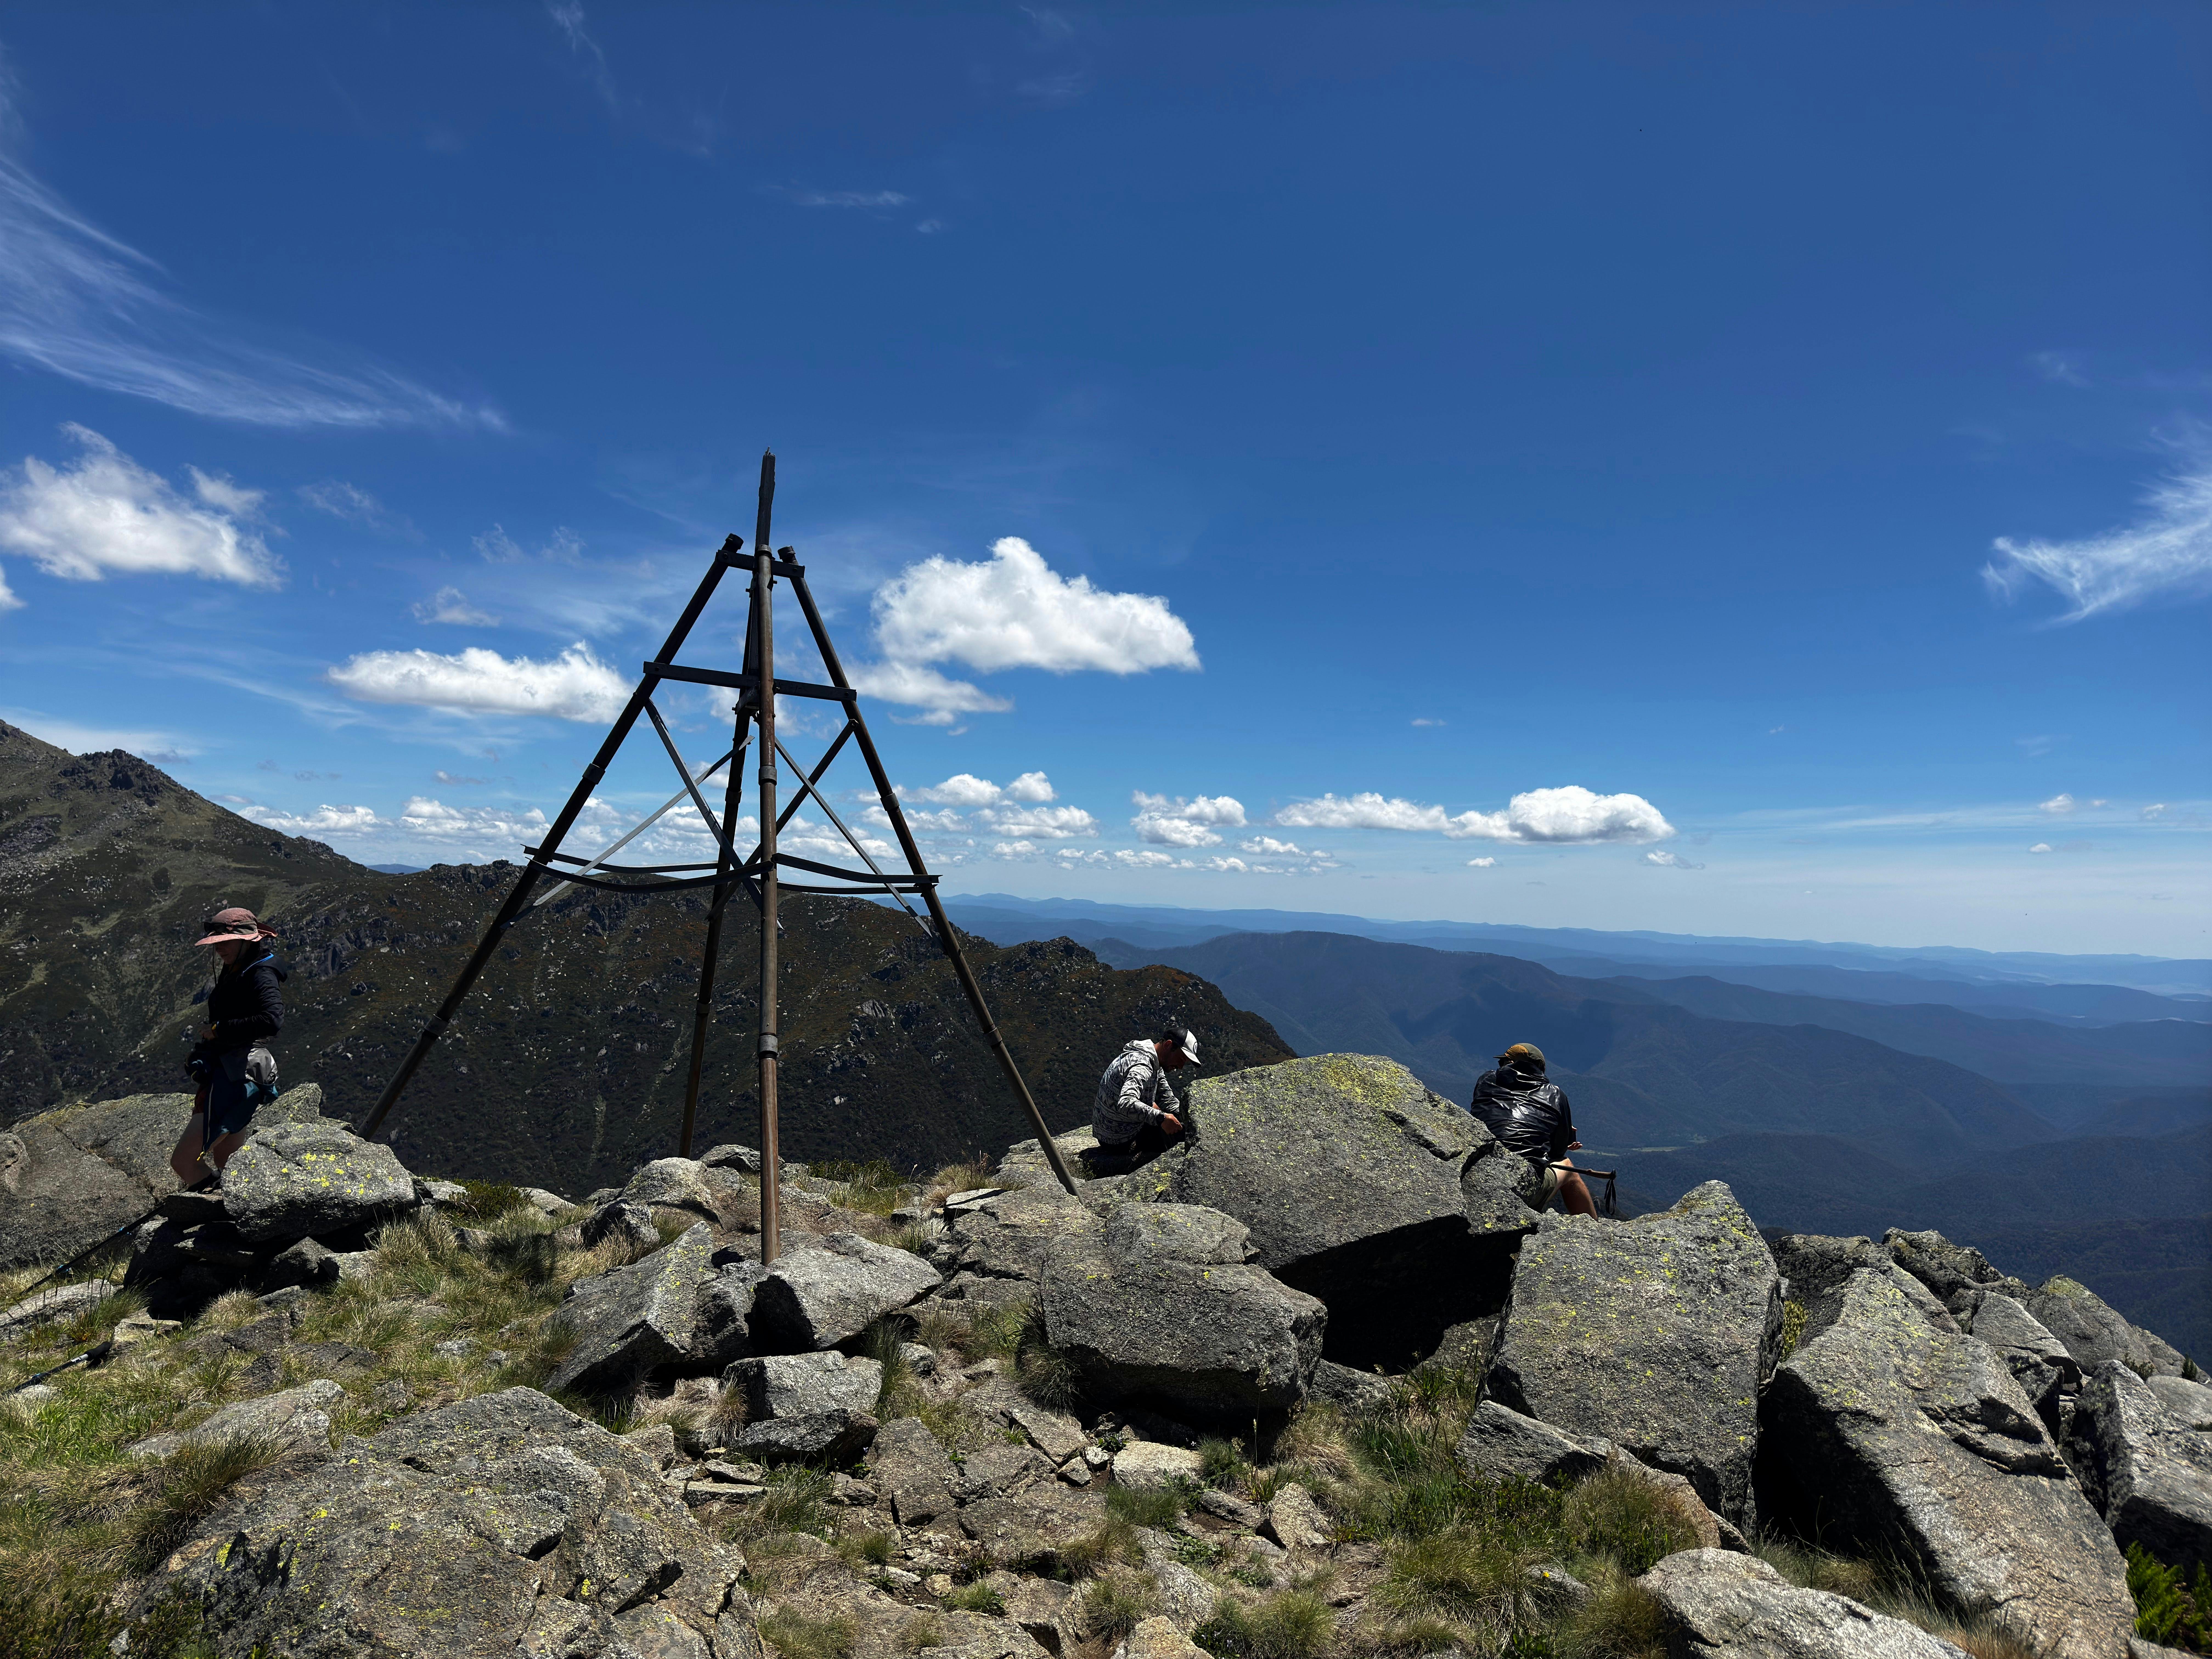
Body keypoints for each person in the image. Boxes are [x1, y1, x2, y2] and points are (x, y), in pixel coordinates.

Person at [169, 907, 286, 1185]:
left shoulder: (260, 973)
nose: (220, 949)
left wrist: (219, 1030)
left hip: (238, 1076)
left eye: (226, 942)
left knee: (184, 1161)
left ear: (247, 940)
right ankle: (235, 1213)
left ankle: (215, 1211)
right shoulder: (239, 965)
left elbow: (272, 1019)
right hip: (233, 1071)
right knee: (227, 1160)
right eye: (216, 943)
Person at [1468, 1042, 1596, 1218]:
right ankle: (1592, 1232)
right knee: (1566, 1166)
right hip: (1521, 1185)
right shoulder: (1556, 1095)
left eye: (1502, 1063)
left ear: (1509, 1064)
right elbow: (1557, 1152)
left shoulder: (1486, 1080)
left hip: (1478, 1171)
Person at [1091, 1025, 1199, 1170]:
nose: (1181, 1067)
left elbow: (1168, 1100)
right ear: (1168, 1045)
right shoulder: (1143, 1064)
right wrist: (1162, 1119)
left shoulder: (1155, 1062)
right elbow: (1126, 1103)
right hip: (1117, 1139)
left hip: (1110, 1131)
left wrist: (1193, 1117)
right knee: (1176, 1134)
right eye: (1181, 1059)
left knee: (1174, 1121)